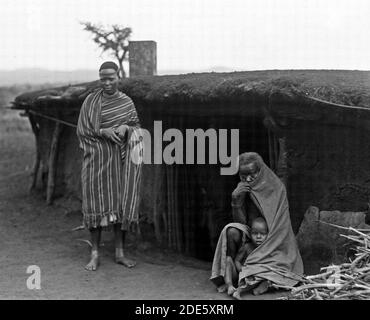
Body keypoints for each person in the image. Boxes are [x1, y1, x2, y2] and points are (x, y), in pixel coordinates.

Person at [77, 61, 143, 271]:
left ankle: (119, 252)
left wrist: (125, 127)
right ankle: (95, 253)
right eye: (102, 78)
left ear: (118, 78)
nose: (106, 83)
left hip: (120, 163)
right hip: (96, 163)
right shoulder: (90, 102)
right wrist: (103, 131)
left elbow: (137, 128)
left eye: (110, 78)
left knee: (119, 205)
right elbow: (82, 131)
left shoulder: (127, 102)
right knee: (95, 206)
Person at [210, 152, 303, 297]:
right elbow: (241, 223)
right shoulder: (243, 188)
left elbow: (281, 227)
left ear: (260, 171)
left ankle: (258, 277)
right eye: (243, 175)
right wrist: (236, 202)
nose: (247, 179)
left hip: (274, 238)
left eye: (252, 174)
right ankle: (232, 279)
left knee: (281, 266)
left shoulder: (276, 188)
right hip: (252, 234)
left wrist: (266, 241)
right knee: (231, 230)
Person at [222, 217, 268, 296]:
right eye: (255, 233)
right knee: (228, 259)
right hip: (239, 275)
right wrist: (241, 269)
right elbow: (237, 261)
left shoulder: (268, 248)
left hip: (252, 278)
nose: (258, 237)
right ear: (250, 234)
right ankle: (229, 285)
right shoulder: (247, 247)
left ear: (268, 235)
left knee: (263, 278)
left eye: (262, 234)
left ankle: (242, 290)